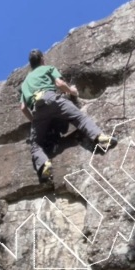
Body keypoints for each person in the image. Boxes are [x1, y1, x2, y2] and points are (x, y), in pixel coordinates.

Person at [20, 49, 117, 181]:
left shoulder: (25, 83)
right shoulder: (48, 68)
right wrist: (72, 91)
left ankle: (44, 165)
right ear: (42, 59)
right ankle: (101, 139)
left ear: (31, 64)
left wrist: (34, 121)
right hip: (52, 99)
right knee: (80, 118)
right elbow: (59, 84)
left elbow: (23, 108)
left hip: (37, 109)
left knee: (36, 145)